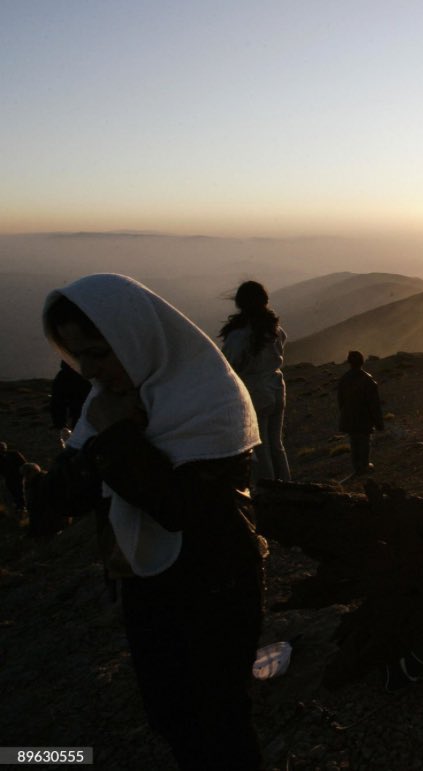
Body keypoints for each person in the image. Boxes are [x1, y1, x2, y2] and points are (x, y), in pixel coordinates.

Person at [32, 273, 267, 770]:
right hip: (146, 582)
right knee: (170, 716)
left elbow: (181, 509)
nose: (90, 371)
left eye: (99, 352)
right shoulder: (109, 400)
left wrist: (116, 438)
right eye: (80, 356)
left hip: (216, 584)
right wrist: (101, 439)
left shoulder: (208, 400)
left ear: (135, 338)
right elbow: (60, 497)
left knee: (220, 722)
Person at [219, 280, 290, 483]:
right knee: (276, 444)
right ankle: (287, 484)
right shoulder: (275, 329)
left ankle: (269, 491)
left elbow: (228, 364)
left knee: (261, 446)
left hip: (255, 391)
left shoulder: (239, 335)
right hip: (277, 386)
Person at [337, 350, 384, 475]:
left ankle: (357, 467)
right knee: (364, 442)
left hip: (349, 418)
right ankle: (364, 465)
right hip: (364, 419)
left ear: (349, 362)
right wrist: (379, 422)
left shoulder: (344, 379)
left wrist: (345, 414)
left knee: (354, 442)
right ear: (362, 362)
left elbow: (340, 401)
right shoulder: (368, 380)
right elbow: (374, 404)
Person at [50, 359, 92, 447]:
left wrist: (60, 424)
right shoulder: (87, 373)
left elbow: (57, 401)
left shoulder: (64, 376)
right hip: (88, 412)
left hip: (79, 416)